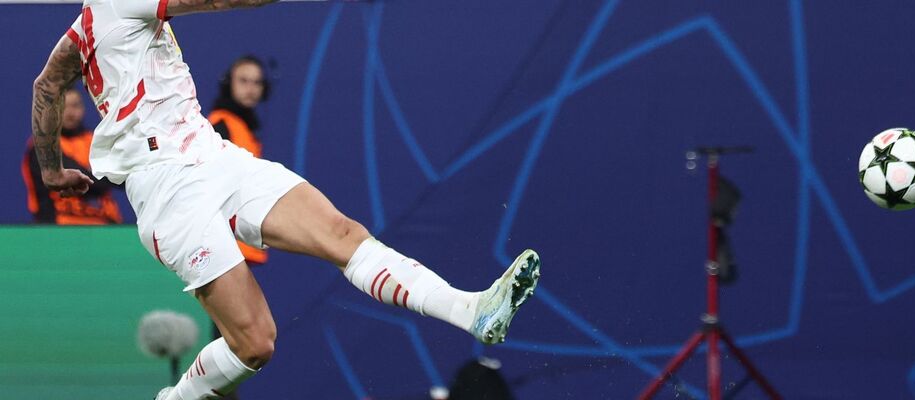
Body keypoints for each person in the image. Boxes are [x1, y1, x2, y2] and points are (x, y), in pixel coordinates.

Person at [29, 1, 542, 399]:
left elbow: (47, 84)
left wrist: (52, 171)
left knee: (344, 234)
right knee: (255, 343)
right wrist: (51, 171)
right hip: (165, 188)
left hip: (213, 156)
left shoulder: (85, 27)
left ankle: (472, 310)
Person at [22, 88, 122, 225]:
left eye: (75, 106)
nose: (70, 113)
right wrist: (96, 174)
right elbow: (90, 182)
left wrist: (96, 177)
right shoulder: (42, 146)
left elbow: (122, 179)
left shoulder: (96, 142)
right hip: (59, 224)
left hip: (105, 224)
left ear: (83, 108)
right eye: (63, 106)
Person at [209, 55, 271, 265]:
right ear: (228, 84)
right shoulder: (221, 125)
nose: (250, 88)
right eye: (243, 81)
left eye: (257, 82)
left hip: (238, 239)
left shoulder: (244, 127)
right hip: (223, 242)